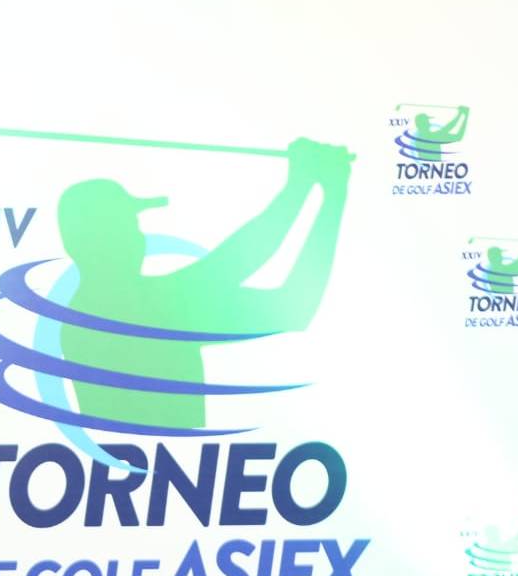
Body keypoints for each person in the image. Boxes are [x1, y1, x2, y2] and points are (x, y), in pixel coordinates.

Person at [57, 138, 349, 429]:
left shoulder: (90, 313)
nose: (138, 238)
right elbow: (248, 268)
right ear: (91, 244)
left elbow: (283, 298)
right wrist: (315, 188)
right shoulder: (137, 310)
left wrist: (317, 189)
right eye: (126, 229)